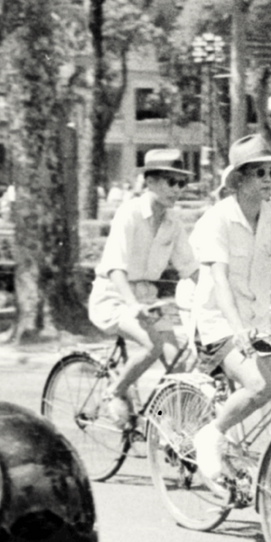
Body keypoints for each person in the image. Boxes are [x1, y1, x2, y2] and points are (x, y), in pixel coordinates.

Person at [187, 134, 271, 481]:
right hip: (219, 324)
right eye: (260, 173)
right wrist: (237, 328)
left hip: (260, 323)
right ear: (240, 179)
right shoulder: (217, 219)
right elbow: (220, 281)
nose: (270, 180)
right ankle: (211, 433)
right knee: (259, 385)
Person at [86, 148, 199, 425]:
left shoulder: (173, 221)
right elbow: (114, 267)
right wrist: (132, 304)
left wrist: (222, 297)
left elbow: (191, 268)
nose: (177, 189)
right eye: (170, 182)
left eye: (181, 183)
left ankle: (167, 424)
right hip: (114, 298)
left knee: (180, 363)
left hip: (148, 301)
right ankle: (114, 391)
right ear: (150, 182)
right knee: (153, 345)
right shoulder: (130, 213)